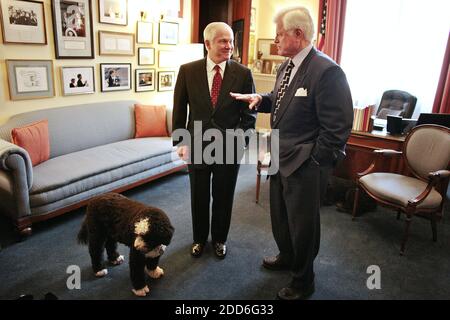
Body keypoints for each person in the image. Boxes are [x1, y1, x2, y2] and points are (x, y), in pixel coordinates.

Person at [231, 6, 353, 300]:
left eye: (279, 34)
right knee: (281, 217)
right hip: (279, 156)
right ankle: (287, 257)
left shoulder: (327, 71)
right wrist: (260, 98)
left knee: (303, 226)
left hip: (306, 164)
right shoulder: (286, 66)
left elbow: (337, 129)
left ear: (298, 35)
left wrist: (313, 161)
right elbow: (281, 100)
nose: (275, 40)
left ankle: (303, 281)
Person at [172, 22, 256, 259]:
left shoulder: (243, 73)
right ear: (207, 43)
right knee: (198, 195)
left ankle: (219, 239)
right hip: (197, 145)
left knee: (224, 195)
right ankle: (199, 239)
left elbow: (249, 115)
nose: (229, 46)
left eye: (231, 41)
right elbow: (179, 110)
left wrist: (239, 142)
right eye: (222, 41)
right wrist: (181, 142)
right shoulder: (187, 71)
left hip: (229, 147)